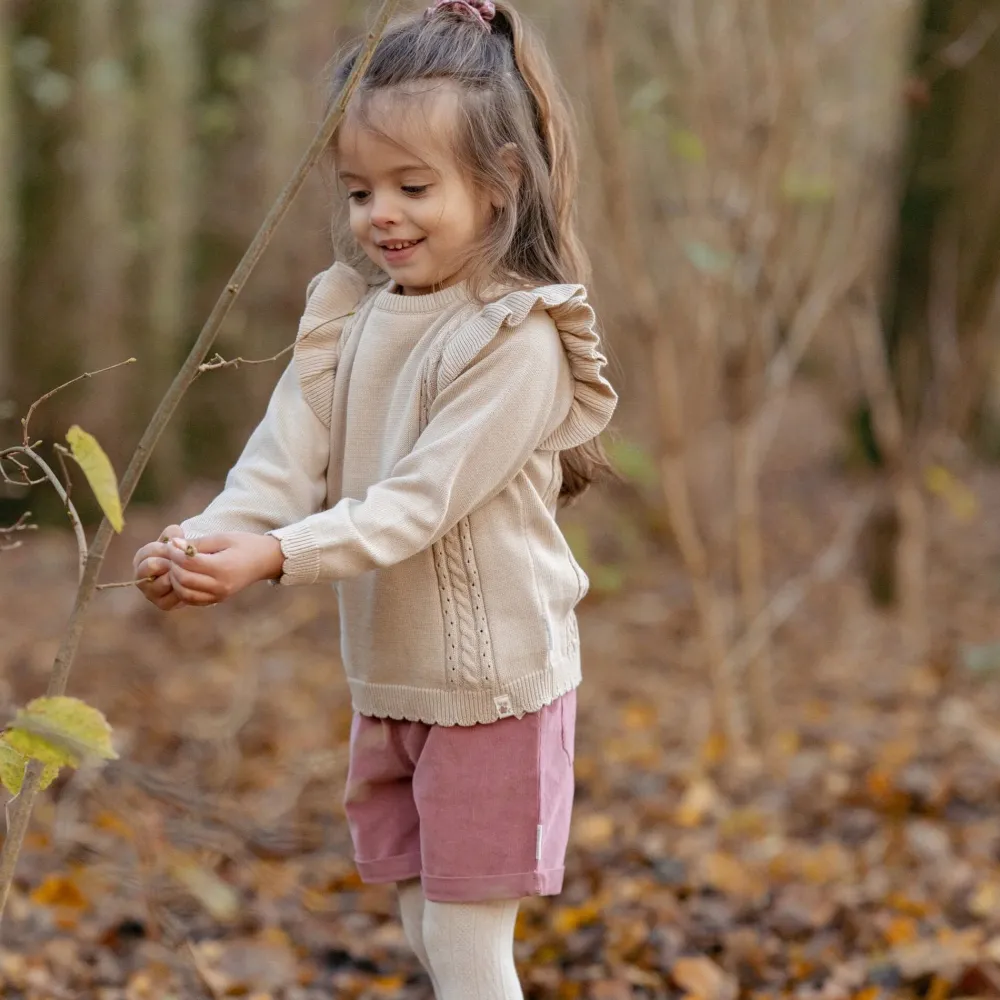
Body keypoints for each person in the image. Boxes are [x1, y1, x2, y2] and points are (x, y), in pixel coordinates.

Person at [133, 1, 617, 995]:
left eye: (411, 185)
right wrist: (208, 539)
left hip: (492, 690)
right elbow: (282, 459)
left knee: (465, 929)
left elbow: (417, 502)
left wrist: (274, 558)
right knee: (415, 906)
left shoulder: (515, 338)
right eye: (358, 191)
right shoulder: (350, 315)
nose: (378, 215)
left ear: (498, 185)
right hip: (390, 679)